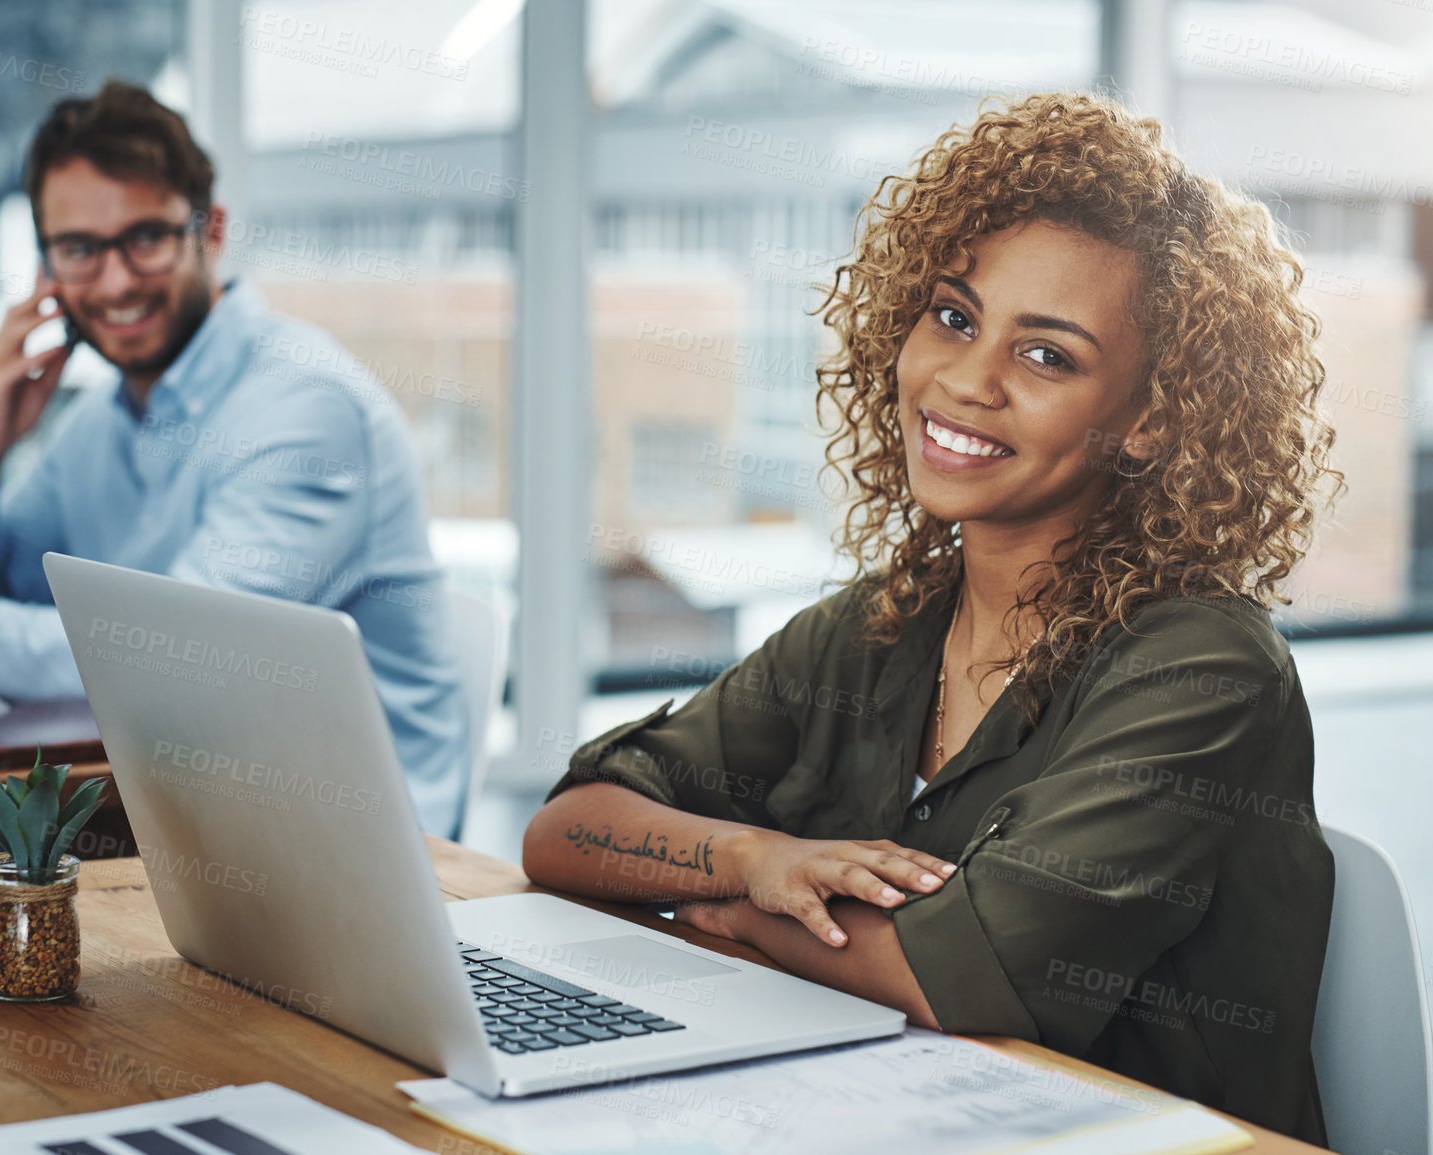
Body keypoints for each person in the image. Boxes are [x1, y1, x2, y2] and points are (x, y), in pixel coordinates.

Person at [523, 92, 1340, 1145]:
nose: (964, 380)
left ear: (1148, 423)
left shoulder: (1204, 669)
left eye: (1046, 356)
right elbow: (571, 830)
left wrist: (728, 909)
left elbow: (950, 977)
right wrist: (749, 864)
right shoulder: (884, 625)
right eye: (954, 317)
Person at [0, 81, 469, 839]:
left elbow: (165, 669)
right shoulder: (105, 420)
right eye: (79, 249)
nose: (113, 280)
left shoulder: (306, 410)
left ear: (211, 232)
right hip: (193, 829)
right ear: (47, 269)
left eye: (145, 237)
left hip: (362, 863)